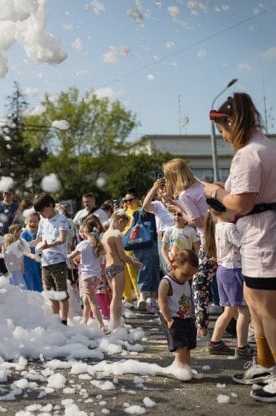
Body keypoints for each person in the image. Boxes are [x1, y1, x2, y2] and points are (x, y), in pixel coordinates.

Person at [201, 92, 276, 401]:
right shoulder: (267, 146)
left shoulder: (248, 153)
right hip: (260, 235)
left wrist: (216, 194)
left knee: (266, 309)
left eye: (223, 131)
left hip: (263, 237)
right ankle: (264, 361)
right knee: (252, 300)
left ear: (232, 122)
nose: (223, 137)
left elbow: (242, 203)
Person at [163, 158, 216, 337]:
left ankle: (202, 326)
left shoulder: (186, 194)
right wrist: (178, 207)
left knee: (200, 284)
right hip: (220, 233)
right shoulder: (200, 185)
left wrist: (180, 212)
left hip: (209, 240)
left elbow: (197, 221)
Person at [203, 209, 253, 358]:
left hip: (223, 270)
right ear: (223, 210)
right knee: (244, 310)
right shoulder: (230, 227)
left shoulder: (216, 226)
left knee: (229, 310)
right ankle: (242, 346)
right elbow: (244, 245)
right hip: (234, 269)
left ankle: (215, 342)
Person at [158, 249, 201, 381]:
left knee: (188, 345)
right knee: (180, 345)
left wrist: (193, 316)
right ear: (175, 266)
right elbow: (162, 302)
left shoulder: (186, 280)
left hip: (186, 317)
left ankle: (185, 368)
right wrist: (169, 319)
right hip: (173, 318)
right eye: (186, 274)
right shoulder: (166, 282)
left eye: (191, 276)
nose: (188, 278)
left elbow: (189, 299)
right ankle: (180, 369)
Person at [31, 193, 70, 325]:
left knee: (61, 293)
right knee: (51, 293)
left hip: (58, 262)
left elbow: (62, 239)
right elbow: (38, 240)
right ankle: (56, 321)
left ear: (50, 205)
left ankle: (64, 321)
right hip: (45, 262)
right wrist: (25, 244)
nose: (41, 214)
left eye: (42, 210)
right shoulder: (42, 222)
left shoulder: (61, 219)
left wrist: (49, 245)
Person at [101, 210, 142, 330]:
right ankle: (115, 324)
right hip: (118, 267)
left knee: (114, 296)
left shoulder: (104, 235)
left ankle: (114, 323)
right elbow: (122, 255)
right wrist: (134, 263)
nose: (123, 229)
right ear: (120, 221)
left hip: (108, 268)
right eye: (124, 226)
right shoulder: (116, 234)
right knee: (118, 298)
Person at [68, 218, 106, 331]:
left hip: (86, 277)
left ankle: (101, 325)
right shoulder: (98, 244)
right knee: (86, 300)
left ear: (85, 232)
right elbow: (102, 262)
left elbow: (70, 257)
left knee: (93, 301)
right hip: (96, 276)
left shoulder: (82, 244)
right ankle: (84, 321)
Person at [20, 212, 43, 292]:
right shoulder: (24, 234)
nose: (33, 223)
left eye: (35, 221)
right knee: (30, 282)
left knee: (40, 280)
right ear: (26, 221)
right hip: (28, 262)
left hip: (40, 261)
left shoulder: (40, 232)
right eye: (30, 221)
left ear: (39, 221)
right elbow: (22, 249)